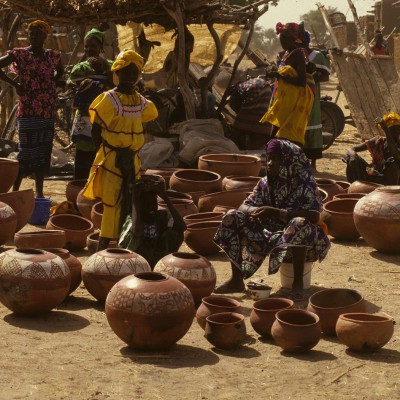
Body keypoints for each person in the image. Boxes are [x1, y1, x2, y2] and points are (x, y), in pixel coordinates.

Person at [213, 138, 330, 301]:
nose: (269, 163)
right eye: (268, 158)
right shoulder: (265, 183)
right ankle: (236, 279)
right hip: (269, 232)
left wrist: (276, 212)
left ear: (289, 161)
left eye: (276, 159)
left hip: (302, 238)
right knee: (232, 216)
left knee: (300, 223)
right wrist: (254, 210)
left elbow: (314, 215)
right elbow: (244, 206)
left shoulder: (304, 184)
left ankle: (297, 284)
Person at [82, 50, 158, 251]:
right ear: (118, 73)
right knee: (112, 203)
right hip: (112, 159)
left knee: (131, 200)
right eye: (127, 72)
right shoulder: (108, 99)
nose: (131, 76)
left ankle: (125, 244)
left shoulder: (140, 101)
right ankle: (104, 246)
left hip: (132, 160)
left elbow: (143, 124)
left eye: (135, 72)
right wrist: (103, 152)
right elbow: (96, 128)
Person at [0, 20, 64, 198]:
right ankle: (15, 192)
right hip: (28, 109)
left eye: (38, 34)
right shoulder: (20, 54)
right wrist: (15, 84)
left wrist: (56, 82)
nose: (34, 37)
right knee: (26, 151)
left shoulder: (52, 55)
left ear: (45, 36)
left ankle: (40, 194)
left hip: (47, 109)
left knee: (43, 150)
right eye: (32, 34)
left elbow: (60, 71)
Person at [260, 22, 315, 147]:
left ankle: (286, 157)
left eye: (283, 39)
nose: (282, 43)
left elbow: (301, 82)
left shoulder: (298, 54)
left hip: (295, 98)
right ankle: (273, 154)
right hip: (285, 97)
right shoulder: (286, 54)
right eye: (280, 39)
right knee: (275, 128)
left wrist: (279, 75)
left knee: (286, 133)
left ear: (292, 39)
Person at [69, 28, 113, 179]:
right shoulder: (81, 67)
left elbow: (116, 82)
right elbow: (74, 83)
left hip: (104, 116)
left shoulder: (111, 65)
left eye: (93, 46)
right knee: (83, 150)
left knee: (101, 149)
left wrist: (105, 67)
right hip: (85, 116)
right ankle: (80, 186)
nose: (89, 49)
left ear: (100, 48)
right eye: (86, 46)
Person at [119, 175, 186, 268]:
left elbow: (182, 227)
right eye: (145, 203)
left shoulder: (160, 216)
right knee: (136, 237)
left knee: (172, 234)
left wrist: (165, 197)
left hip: (156, 262)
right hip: (136, 265)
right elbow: (137, 232)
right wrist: (134, 198)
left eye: (153, 202)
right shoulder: (132, 220)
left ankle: (165, 267)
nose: (150, 206)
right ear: (138, 204)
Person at [302, 25, 331, 171]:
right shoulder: (291, 54)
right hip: (296, 97)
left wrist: (312, 76)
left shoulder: (317, 56)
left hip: (311, 96)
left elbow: (326, 76)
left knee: (312, 125)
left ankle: (313, 162)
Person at [344, 112, 400, 185]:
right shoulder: (379, 140)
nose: (395, 132)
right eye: (391, 130)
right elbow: (351, 148)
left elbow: (395, 154)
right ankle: (355, 186)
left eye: (397, 129)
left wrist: (386, 130)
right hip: (374, 172)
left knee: (393, 163)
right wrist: (353, 155)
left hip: (393, 180)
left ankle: (391, 192)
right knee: (351, 158)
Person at [229, 77, 272, 150]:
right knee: (255, 153)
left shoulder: (241, 88)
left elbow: (235, 105)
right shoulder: (265, 86)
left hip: (243, 125)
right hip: (265, 127)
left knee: (239, 151)